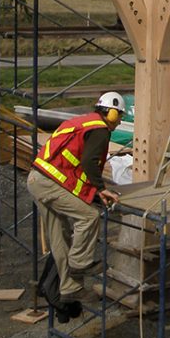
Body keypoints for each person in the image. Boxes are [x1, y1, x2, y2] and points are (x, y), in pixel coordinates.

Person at [27, 92, 124, 314]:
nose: (119, 121)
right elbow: (89, 161)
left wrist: (93, 193)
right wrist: (101, 189)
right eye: (118, 116)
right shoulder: (99, 129)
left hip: (38, 179)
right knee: (89, 216)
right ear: (110, 113)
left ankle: (70, 288)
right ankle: (80, 262)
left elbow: (76, 168)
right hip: (49, 183)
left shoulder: (83, 122)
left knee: (60, 236)